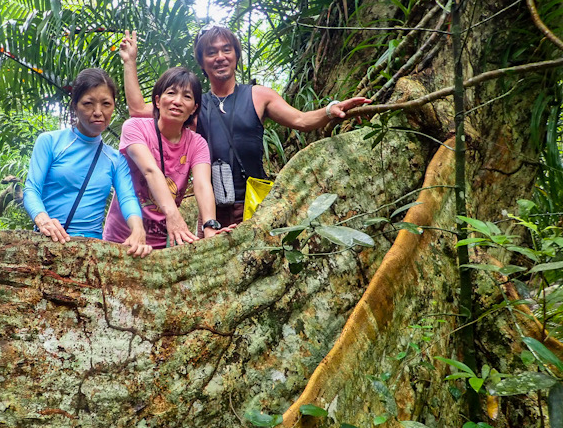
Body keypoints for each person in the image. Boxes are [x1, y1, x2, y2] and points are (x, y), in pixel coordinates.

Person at [122, 27, 372, 226]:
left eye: (226, 50)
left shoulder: (259, 96)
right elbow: (137, 109)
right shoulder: (194, 105)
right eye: (211, 52)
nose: (220, 57)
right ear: (202, 62)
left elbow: (301, 120)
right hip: (214, 208)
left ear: (236, 56)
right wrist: (130, 61)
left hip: (256, 201)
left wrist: (331, 110)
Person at [23, 68, 151, 258]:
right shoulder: (50, 141)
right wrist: (43, 220)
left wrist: (138, 229)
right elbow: (31, 190)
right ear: (75, 105)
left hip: (91, 250)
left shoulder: (115, 159)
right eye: (88, 104)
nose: (98, 112)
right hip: (48, 241)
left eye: (106, 104)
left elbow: (127, 198)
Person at [102, 67, 221, 249]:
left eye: (187, 97)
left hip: (163, 243)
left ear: (194, 108)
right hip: (122, 238)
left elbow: (203, 185)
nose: (177, 101)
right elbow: (150, 171)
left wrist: (210, 226)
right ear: (157, 100)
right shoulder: (135, 128)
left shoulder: (198, 144)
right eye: (171, 93)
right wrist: (173, 216)